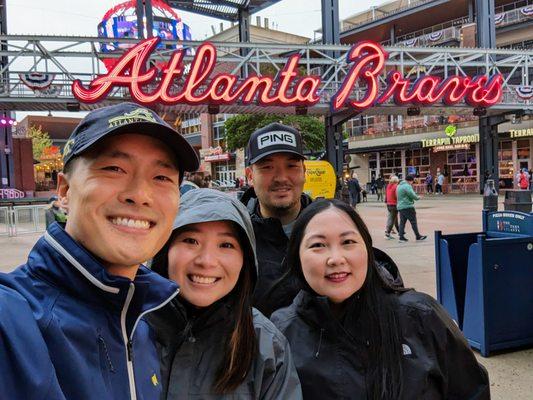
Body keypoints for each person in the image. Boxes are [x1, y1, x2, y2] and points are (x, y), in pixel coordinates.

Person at [0, 103, 200, 399]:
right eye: (114, 169)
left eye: (161, 177)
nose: (140, 195)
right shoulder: (12, 319)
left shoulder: (143, 321)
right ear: (65, 191)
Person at [270, 199, 490, 400]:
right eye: (318, 245)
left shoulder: (421, 317)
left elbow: (471, 391)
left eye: (348, 241)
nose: (336, 258)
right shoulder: (281, 334)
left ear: (367, 250)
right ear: (297, 256)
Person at [148, 189, 302, 399]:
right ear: (166, 249)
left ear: (244, 260)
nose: (207, 260)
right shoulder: (127, 327)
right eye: (191, 241)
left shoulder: (267, 346)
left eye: (226, 245)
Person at [239, 123, 312, 310]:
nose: (281, 177)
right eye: (267, 167)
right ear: (250, 176)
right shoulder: (235, 236)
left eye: (291, 166)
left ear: (304, 172)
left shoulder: (333, 228)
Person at [397, 175, 427, 242]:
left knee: (402, 222)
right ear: (410, 180)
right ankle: (418, 236)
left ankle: (401, 237)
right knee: (413, 222)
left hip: (400, 206)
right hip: (408, 206)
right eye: (412, 181)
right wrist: (418, 197)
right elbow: (413, 195)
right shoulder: (407, 186)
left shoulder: (399, 186)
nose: (412, 183)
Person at [384, 175, 400, 239]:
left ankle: (400, 232)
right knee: (392, 220)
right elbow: (397, 196)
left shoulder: (388, 186)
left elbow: (387, 194)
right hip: (394, 204)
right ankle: (387, 233)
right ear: (396, 181)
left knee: (394, 218)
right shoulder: (396, 186)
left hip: (389, 204)